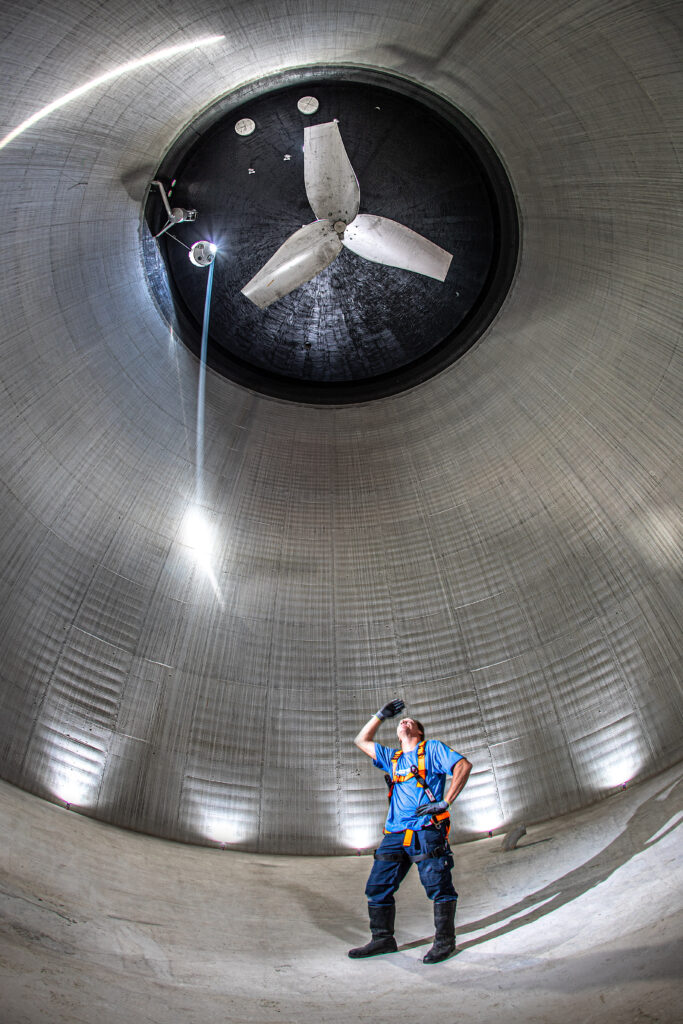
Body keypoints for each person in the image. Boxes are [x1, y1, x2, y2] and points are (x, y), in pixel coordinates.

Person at [348, 698, 472, 963]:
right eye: (402, 721)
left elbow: (463, 766)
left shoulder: (432, 749)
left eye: (411, 722)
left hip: (425, 831)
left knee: (439, 886)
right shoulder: (391, 758)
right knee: (377, 887)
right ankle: (382, 940)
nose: (405, 721)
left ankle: (445, 942)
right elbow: (361, 740)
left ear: (419, 733)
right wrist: (380, 715)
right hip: (394, 836)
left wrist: (445, 802)